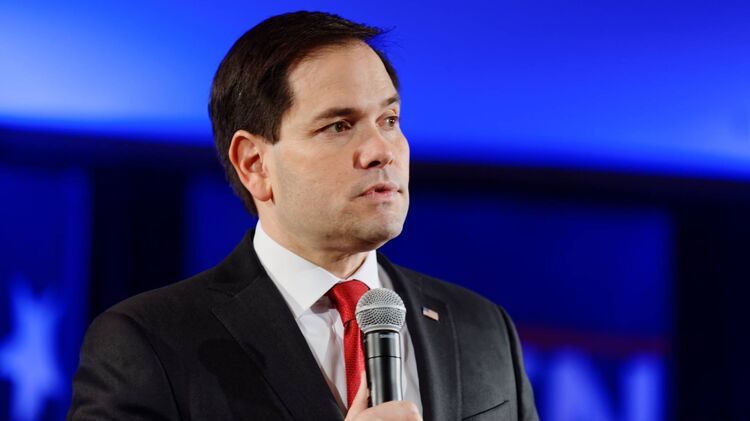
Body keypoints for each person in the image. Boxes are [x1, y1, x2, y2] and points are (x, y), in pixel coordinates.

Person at [67, 11, 538, 421]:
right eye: (339, 126)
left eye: (389, 120)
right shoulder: (150, 342)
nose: (381, 150)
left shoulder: (482, 329)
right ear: (255, 164)